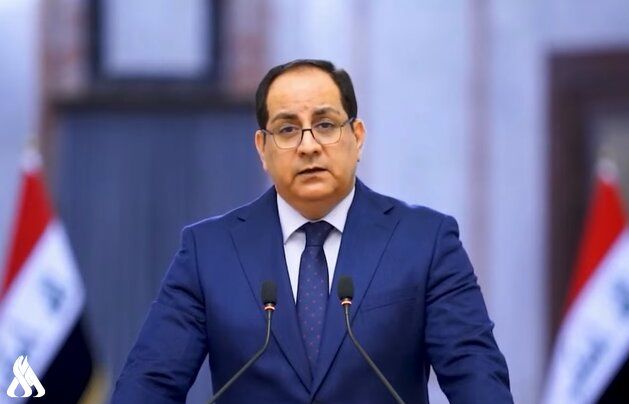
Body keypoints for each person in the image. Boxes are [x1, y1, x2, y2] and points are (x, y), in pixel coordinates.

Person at [112, 59, 513, 403]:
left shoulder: (424, 242)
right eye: (287, 129)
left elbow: (476, 378)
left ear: (357, 137)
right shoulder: (209, 251)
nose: (308, 146)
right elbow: (149, 383)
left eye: (325, 124)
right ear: (262, 148)